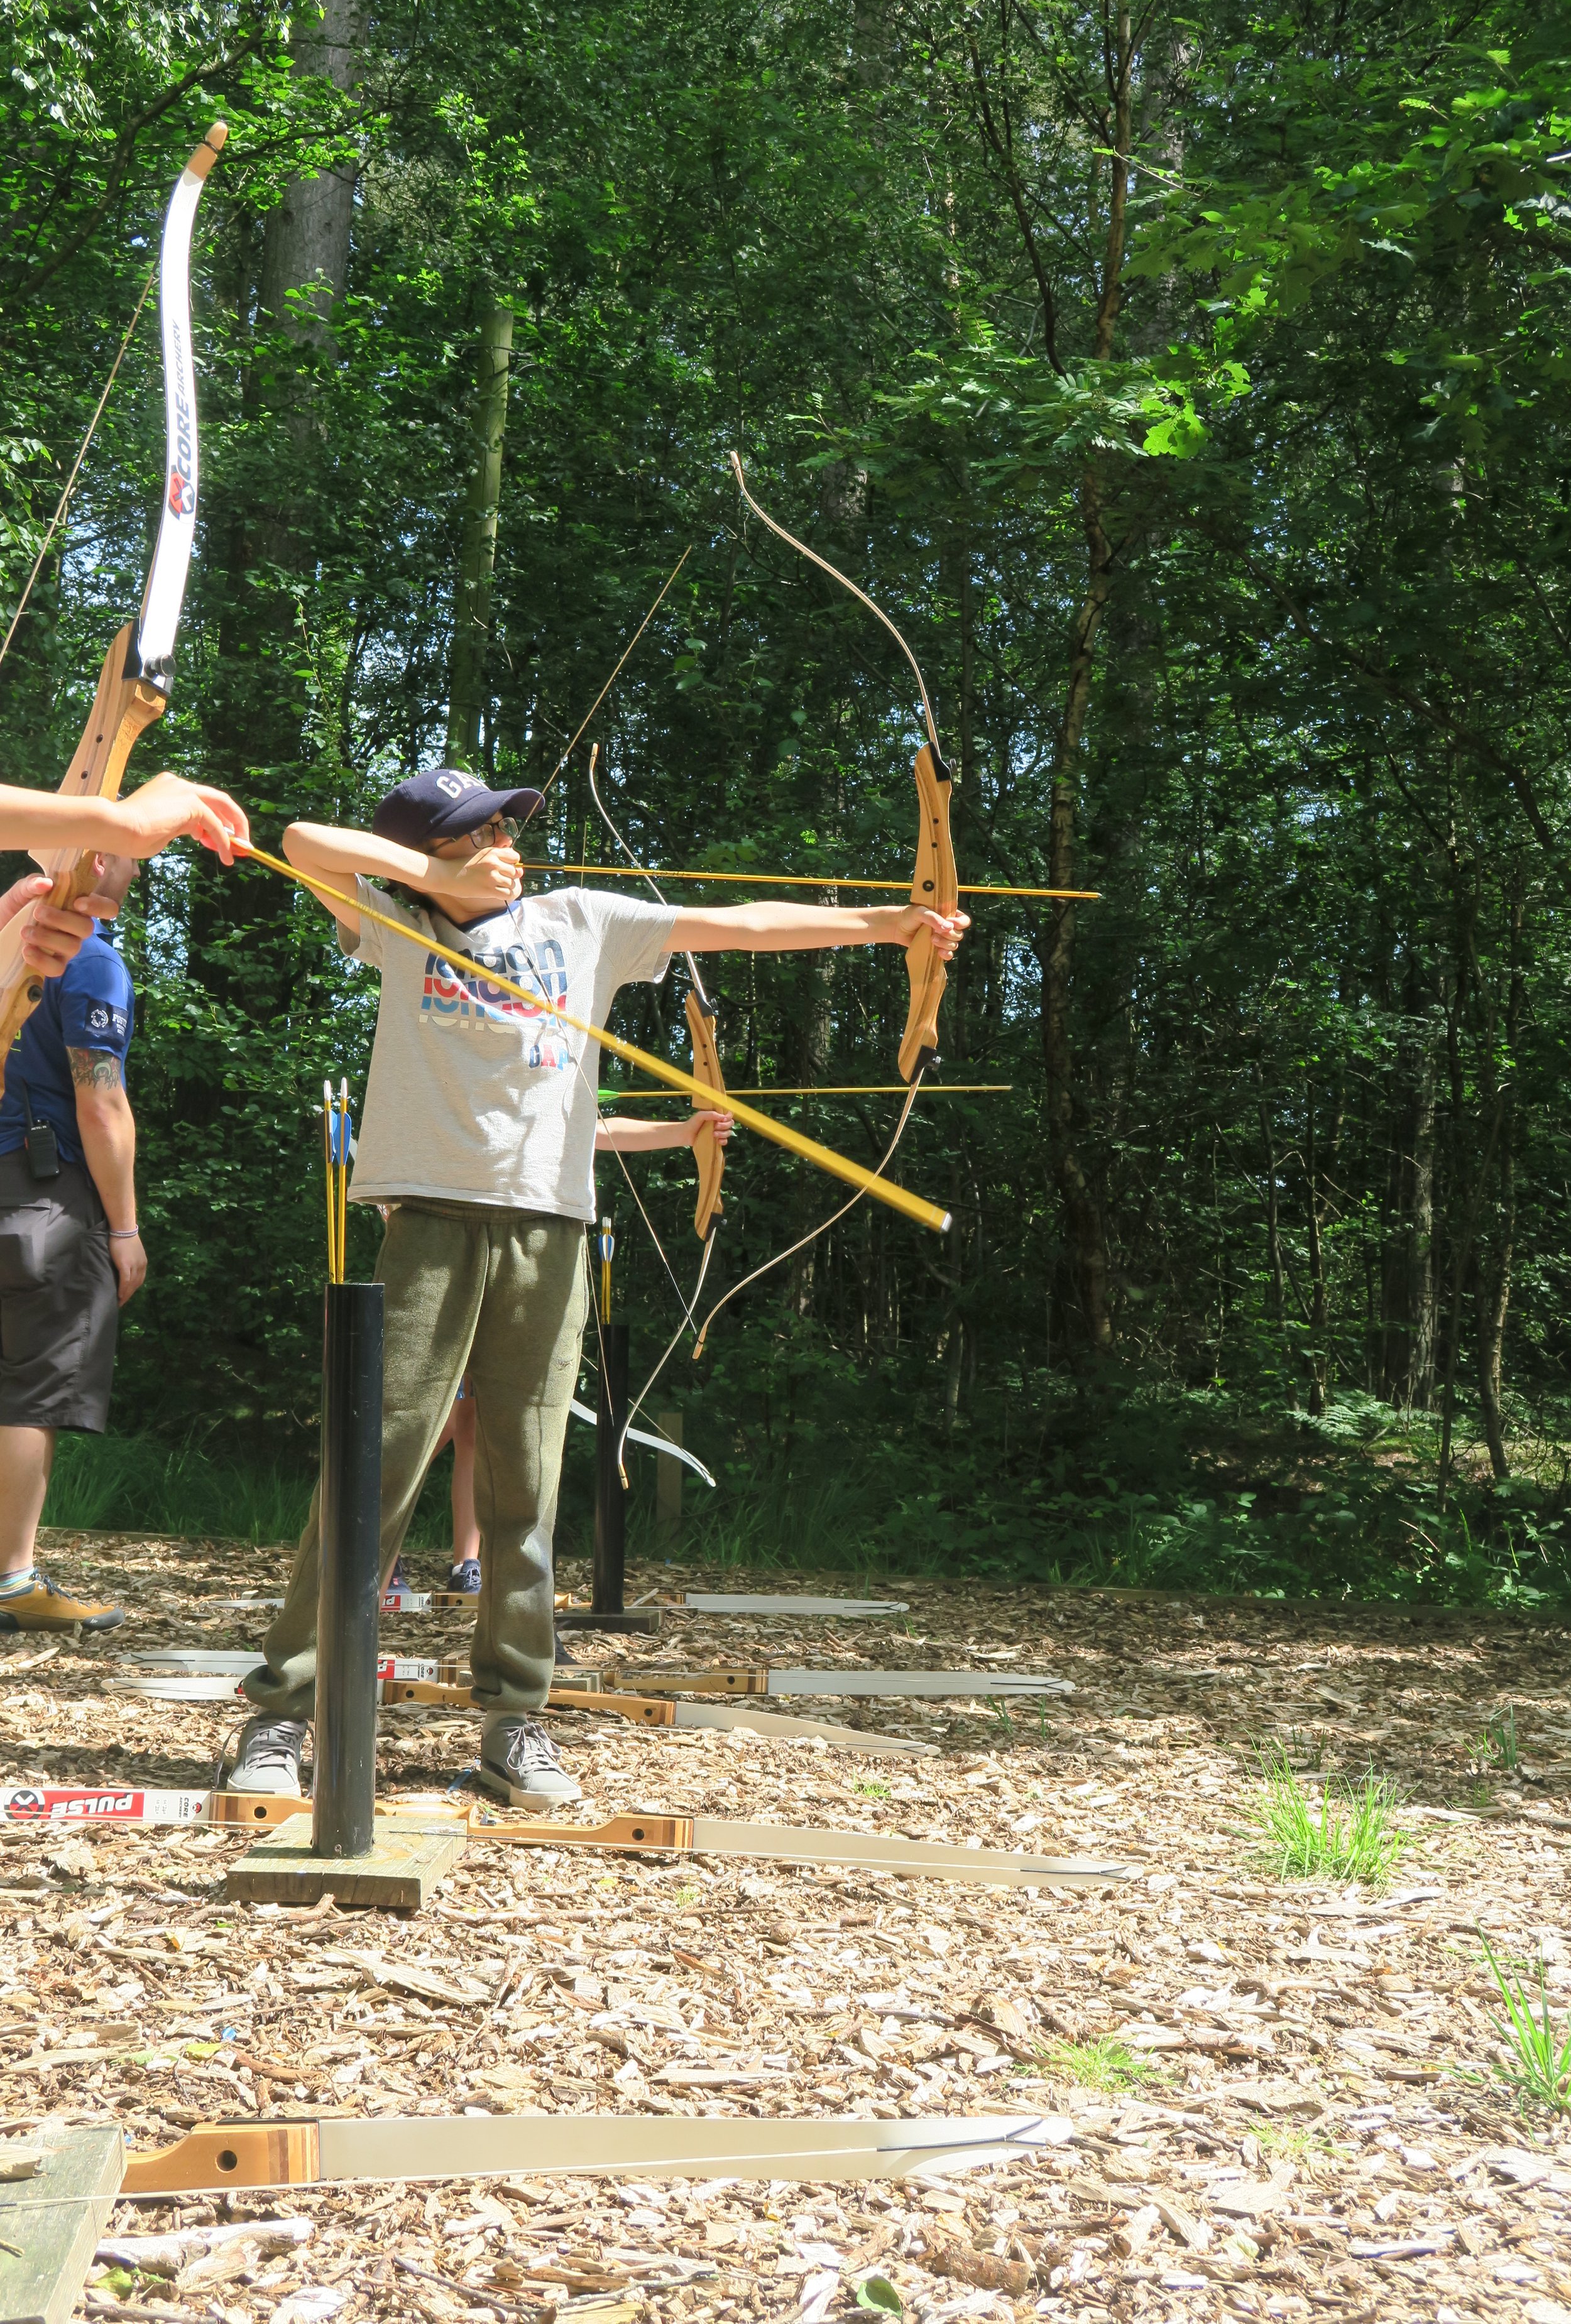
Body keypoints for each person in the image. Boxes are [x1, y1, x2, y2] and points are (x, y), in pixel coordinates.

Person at [228, 766, 966, 1804]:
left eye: (508, 828)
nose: (509, 844)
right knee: (370, 1470)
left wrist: (894, 925)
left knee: (525, 1487)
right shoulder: (389, 921)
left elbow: (740, 925)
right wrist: (441, 882)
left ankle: (514, 1723)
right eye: (480, 833)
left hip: (551, 1230)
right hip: (427, 1225)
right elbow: (302, 837)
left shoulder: (585, 920)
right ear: (429, 855)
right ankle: (284, 1714)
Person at [385, 1108, 734, 1602]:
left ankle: (469, 1562)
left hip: (524, 1259)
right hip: (447, 1257)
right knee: (414, 1432)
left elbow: (586, 1127)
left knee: (473, 1430)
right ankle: (374, 1560)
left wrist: (685, 1132)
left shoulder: (546, 1084)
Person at [0, 852, 149, 1631]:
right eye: (121, 843)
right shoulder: (86, 959)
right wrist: (123, 1226)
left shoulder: (6, 944)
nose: (133, 856)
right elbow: (102, 1105)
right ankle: (13, 1583)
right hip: (40, 1196)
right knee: (30, 1388)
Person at [0, 773, 249, 983]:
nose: (137, 872)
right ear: (100, 860)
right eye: (133, 858)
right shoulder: (97, 962)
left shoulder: (29, 934)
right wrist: (126, 824)